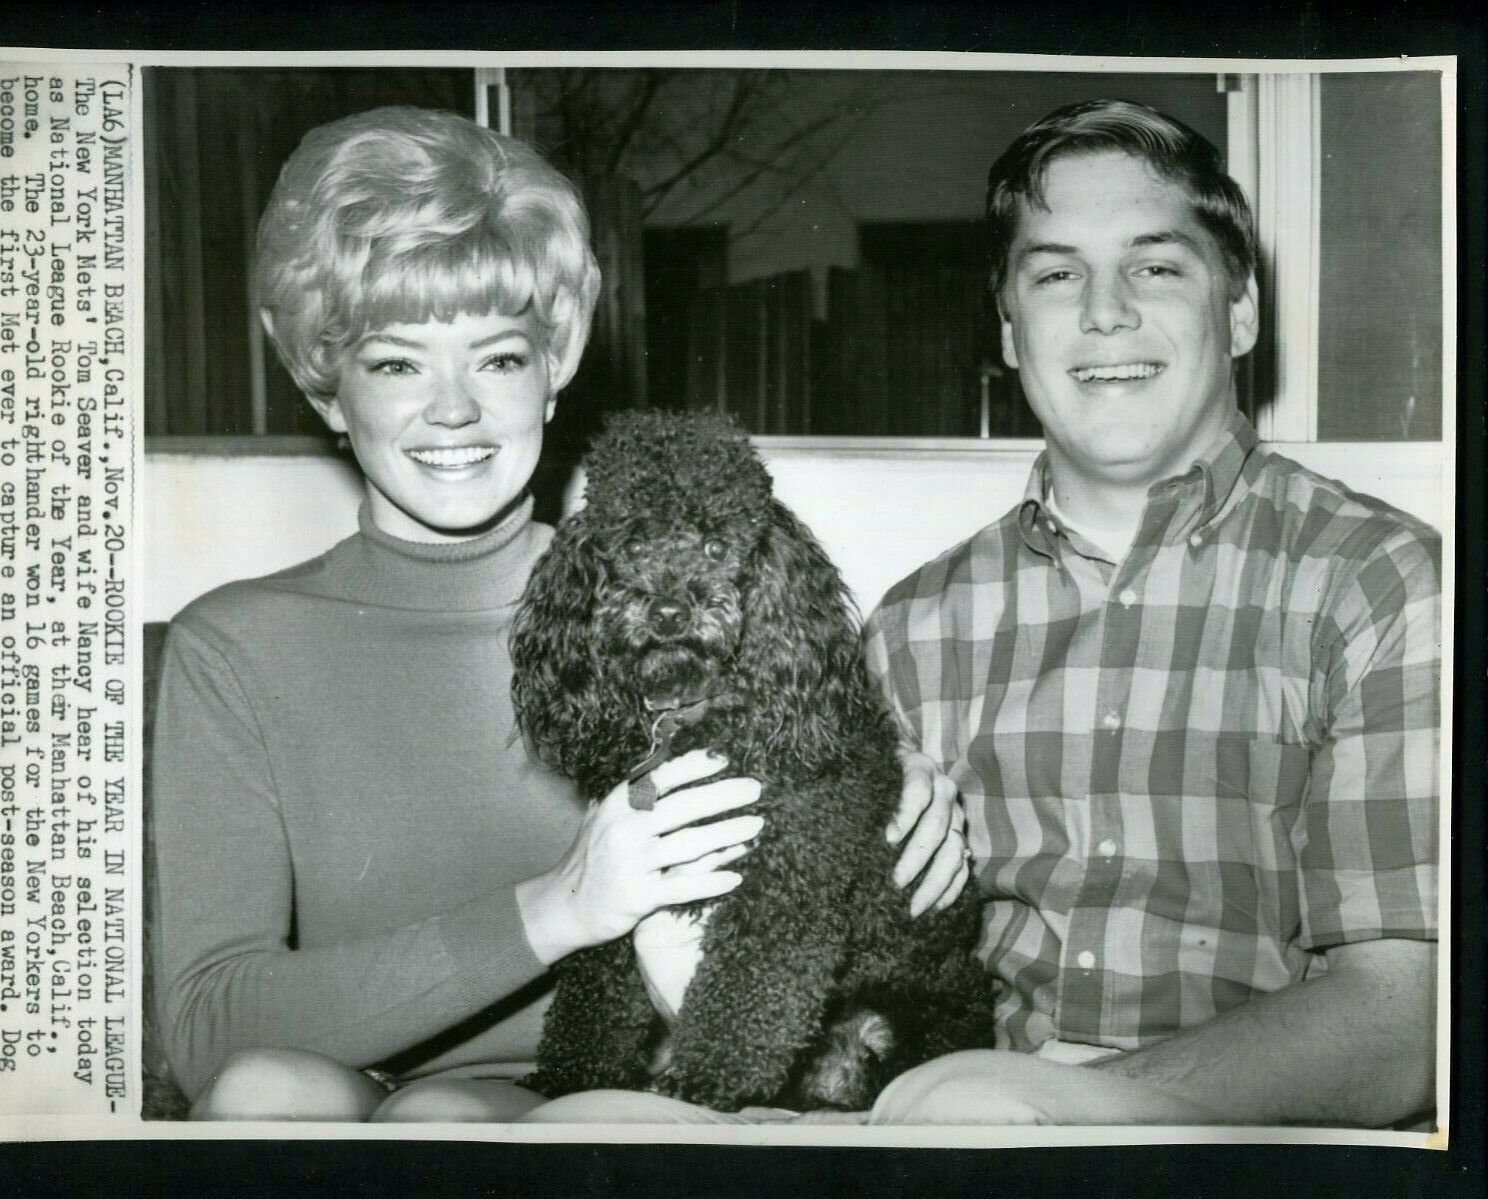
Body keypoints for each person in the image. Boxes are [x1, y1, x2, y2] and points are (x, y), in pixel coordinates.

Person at [151, 106, 963, 1123]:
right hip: (347, 1076)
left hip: (600, 1088)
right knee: (260, 1092)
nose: (454, 410)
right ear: (325, 384)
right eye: (396, 361)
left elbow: (821, 795)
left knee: (442, 1122)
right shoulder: (232, 648)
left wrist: (903, 776)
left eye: (496, 356)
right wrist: (559, 907)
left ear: (555, 367)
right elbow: (206, 1027)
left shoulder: (677, 609)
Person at [860, 99, 1441, 1126]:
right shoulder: (912, 631)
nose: (1103, 311)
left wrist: (1070, 1105)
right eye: (1053, 272)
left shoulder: (1378, 583)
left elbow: (1401, 1024)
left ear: (1241, 310)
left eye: (1155, 264)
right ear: (1007, 328)